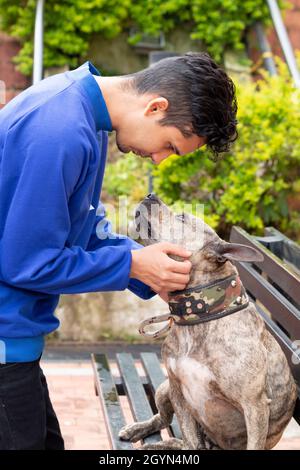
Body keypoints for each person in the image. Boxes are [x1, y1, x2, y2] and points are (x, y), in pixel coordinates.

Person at [0, 52, 237, 449]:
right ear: (155, 106)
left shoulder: (82, 116)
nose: (159, 160)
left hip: (15, 341)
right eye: (170, 145)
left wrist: (147, 270)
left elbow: (83, 231)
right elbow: (26, 262)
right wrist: (131, 263)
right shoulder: (59, 130)